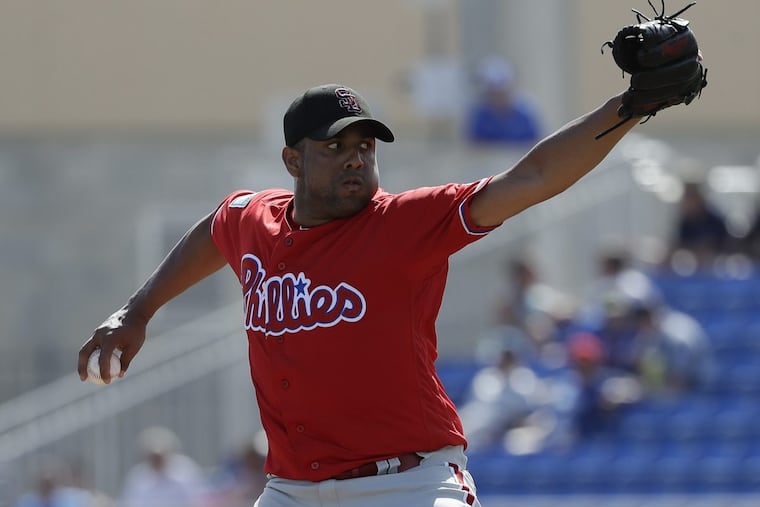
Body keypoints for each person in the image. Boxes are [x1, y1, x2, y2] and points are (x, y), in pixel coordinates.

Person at [78, 80, 655, 507]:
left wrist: (627, 107)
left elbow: (530, 179)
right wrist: (139, 309)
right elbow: (216, 225)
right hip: (292, 489)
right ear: (292, 159)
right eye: (335, 146)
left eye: (366, 145)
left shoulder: (403, 223)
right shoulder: (255, 220)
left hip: (409, 484)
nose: (356, 156)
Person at [120, 426, 207, 507]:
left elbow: (199, 500)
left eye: (160, 456)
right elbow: (131, 502)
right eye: (152, 457)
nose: (157, 461)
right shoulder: (137, 477)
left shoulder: (186, 472)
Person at [464, 57, 541, 146]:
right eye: (493, 93)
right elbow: (472, 145)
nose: (498, 98)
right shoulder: (479, 114)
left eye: (501, 93)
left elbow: (537, 141)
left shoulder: (526, 112)